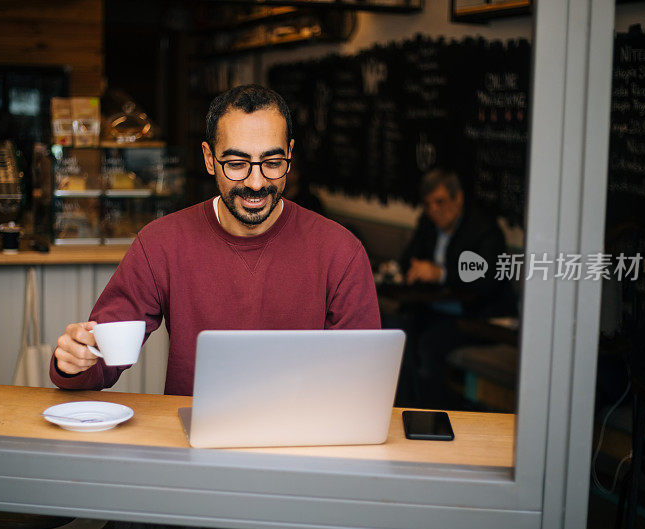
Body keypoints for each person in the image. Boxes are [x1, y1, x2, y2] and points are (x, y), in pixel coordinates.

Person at [50, 85, 380, 394]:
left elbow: (363, 380)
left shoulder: (340, 251)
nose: (255, 182)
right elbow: (101, 358)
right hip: (192, 443)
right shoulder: (162, 243)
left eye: (272, 163)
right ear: (209, 159)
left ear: (290, 155)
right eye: (236, 164)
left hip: (303, 446)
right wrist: (74, 362)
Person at [393, 168, 515, 408]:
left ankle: (434, 415)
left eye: (440, 202)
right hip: (434, 309)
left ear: (458, 198)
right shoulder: (428, 223)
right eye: (428, 205)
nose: (434, 210)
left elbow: (487, 279)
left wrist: (441, 274)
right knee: (398, 330)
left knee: (430, 344)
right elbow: (407, 259)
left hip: (475, 317)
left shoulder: (484, 230)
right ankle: (404, 408)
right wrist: (416, 267)